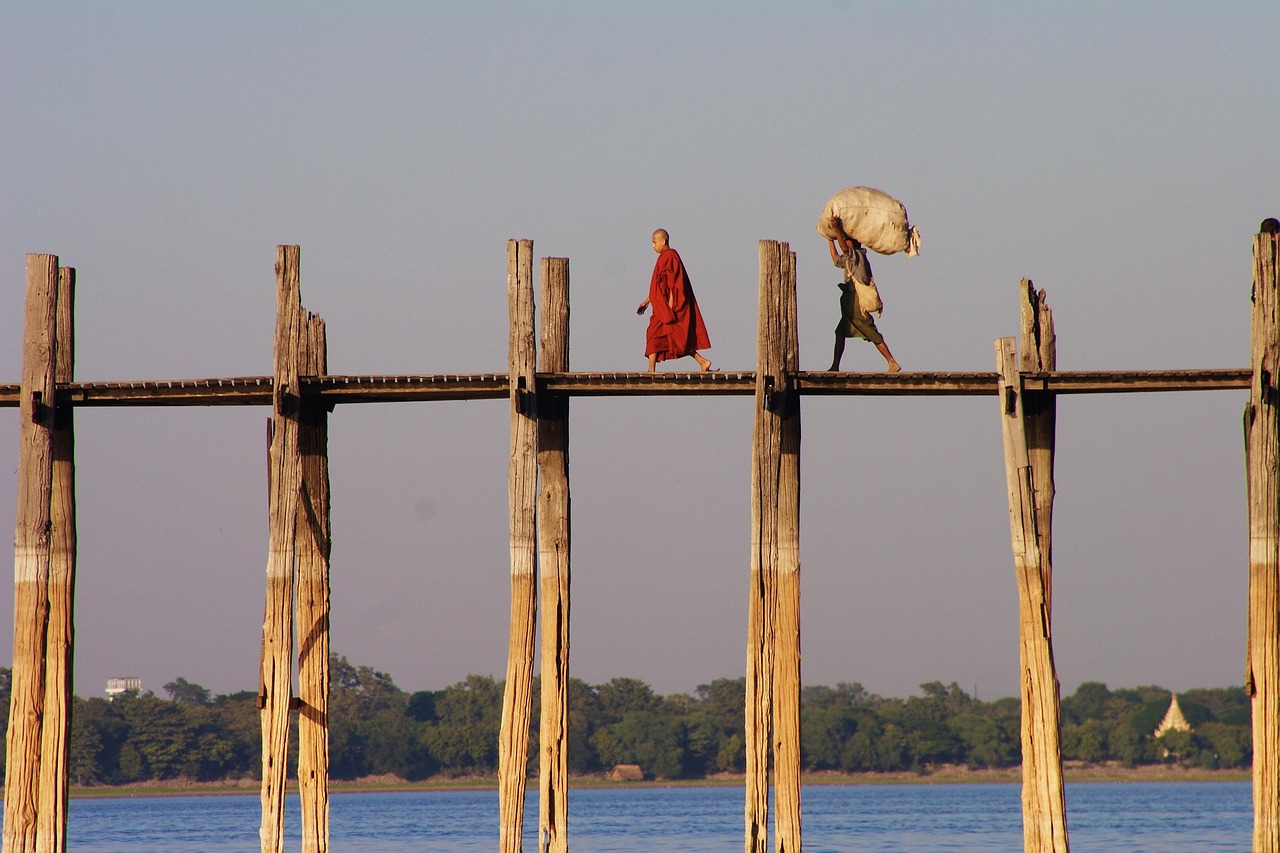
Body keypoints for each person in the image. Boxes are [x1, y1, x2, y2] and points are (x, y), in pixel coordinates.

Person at [636, 229, 714, 372]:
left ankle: (651, 370)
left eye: (654, 242)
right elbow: (660, 286)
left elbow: (674, 284)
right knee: (676, 338)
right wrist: (647, 302)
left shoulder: (670, 256)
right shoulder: (663, 257)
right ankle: (702, 361)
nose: (652, 246)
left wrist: (670, 307)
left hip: (669, 307)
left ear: (663, 241)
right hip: (662, 306)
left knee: (654, 332)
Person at [827, 224, 901, 373]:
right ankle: (835, 365)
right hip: (849, 300)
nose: (845, 242)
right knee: (840, 332)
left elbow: (845, 249)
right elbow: (836, 259)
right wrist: (830, 239)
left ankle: (892, 362)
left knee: (869, 330)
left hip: (855, 301)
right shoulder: (850, 258)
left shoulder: (857, 255)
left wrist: (835, 229)